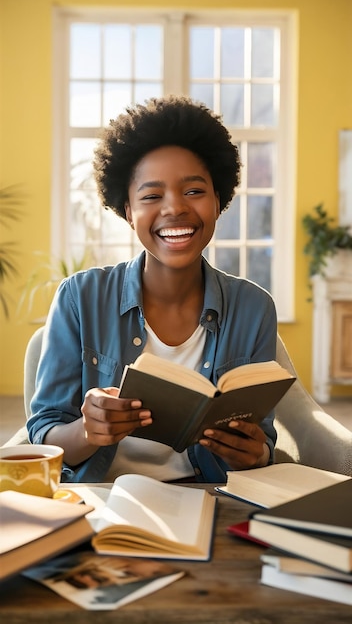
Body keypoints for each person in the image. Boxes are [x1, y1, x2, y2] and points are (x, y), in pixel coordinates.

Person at [27, 95, 277, 483]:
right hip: (103, 500)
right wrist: (86, 430)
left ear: (218, 201)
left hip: (211, 497)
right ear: (128, 211)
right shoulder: (80, 298)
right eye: (151, 196)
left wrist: (256, 453)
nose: (174, 208)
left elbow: (263, 441)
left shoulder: (254, 308)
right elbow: (44, 432)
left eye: (194, 191)